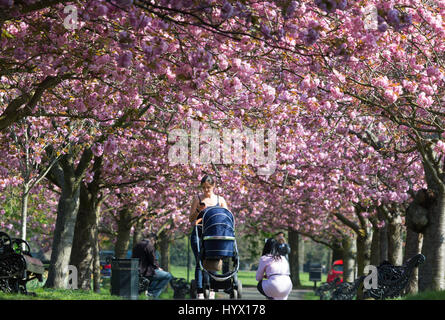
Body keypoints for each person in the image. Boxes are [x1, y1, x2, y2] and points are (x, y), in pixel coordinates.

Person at [189, 174, 229, 299]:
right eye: (203, 188)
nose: (206, 190)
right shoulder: (197, 199)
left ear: (213, 186)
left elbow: (227, 218)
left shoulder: (220, 200)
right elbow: (191, 219)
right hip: (199, 233)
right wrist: (198, 211)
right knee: (199, 262)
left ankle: (212, 289)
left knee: (214, 260)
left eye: (208, 187)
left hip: (214, 235)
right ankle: (200, 291)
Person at [132, 233, 173, 299]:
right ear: (153, 239)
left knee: (157, 278)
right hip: (146, 272)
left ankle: (149, 294)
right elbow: (153, 260)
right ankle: (153, 294)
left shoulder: (137, 244)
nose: (154, 243)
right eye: (155, 242)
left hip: (136, 271)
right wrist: (158, 267)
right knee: (168, 276)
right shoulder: (149, 245)